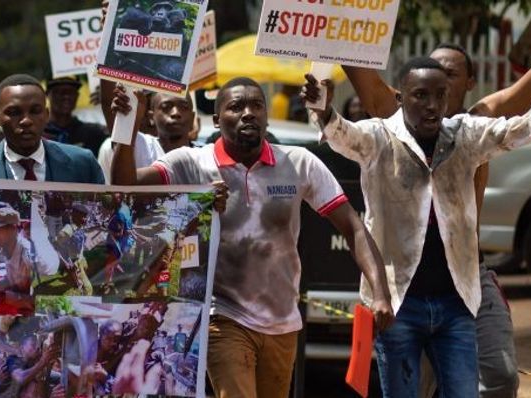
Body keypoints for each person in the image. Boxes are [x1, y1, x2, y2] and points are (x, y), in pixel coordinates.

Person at [301, 55, 531, 397]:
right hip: (398, 306)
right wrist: (322, 109)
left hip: (456, 303)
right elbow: (341, 134)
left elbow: (525, 128)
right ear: (401, 98)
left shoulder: (465, 133)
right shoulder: (379, 138)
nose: (432, 106)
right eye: (420, 96)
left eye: (440, 96)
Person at [110, 78, 394, 398]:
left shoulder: (299, 163)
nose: (248, 113)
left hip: (283, 323)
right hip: (223, 317)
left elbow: (354, 227)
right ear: (217, 121)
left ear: (266, 116)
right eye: (236, 107)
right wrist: (126, 129)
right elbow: (124, 188)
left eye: (256, 106)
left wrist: (380, 291)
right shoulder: (190, 163)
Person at [0, 74, 105, 185]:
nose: (26, 121)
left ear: (46, 115)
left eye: (35, 111)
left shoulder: (83, 164)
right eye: (14, 112)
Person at [0, 207, 48, 316]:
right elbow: (12, 278)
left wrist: (7, 296)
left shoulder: (28, 256)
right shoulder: (9, 248)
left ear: (13, 229)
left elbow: (42, 301)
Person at [43, 77, 106, 153]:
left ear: (77, 95)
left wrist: (108, 104)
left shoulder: (93, 133)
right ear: (47, 95)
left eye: (71, 92)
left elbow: (117, 143)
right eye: (60, 92)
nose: (66, 97)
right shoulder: (38, 134)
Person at [54, 204, 93, 295]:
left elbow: (80, 244)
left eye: (86, 216)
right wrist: (67, 262)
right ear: (76, 216)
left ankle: (74, 278)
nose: (86, 219)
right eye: (83, 216)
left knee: (85, 267)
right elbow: (56, 245)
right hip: (74, 261)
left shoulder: (80, 227)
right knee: (88, 289)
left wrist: (81, 255)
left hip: (80, 258)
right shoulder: (68, 230)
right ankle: (80, 287)